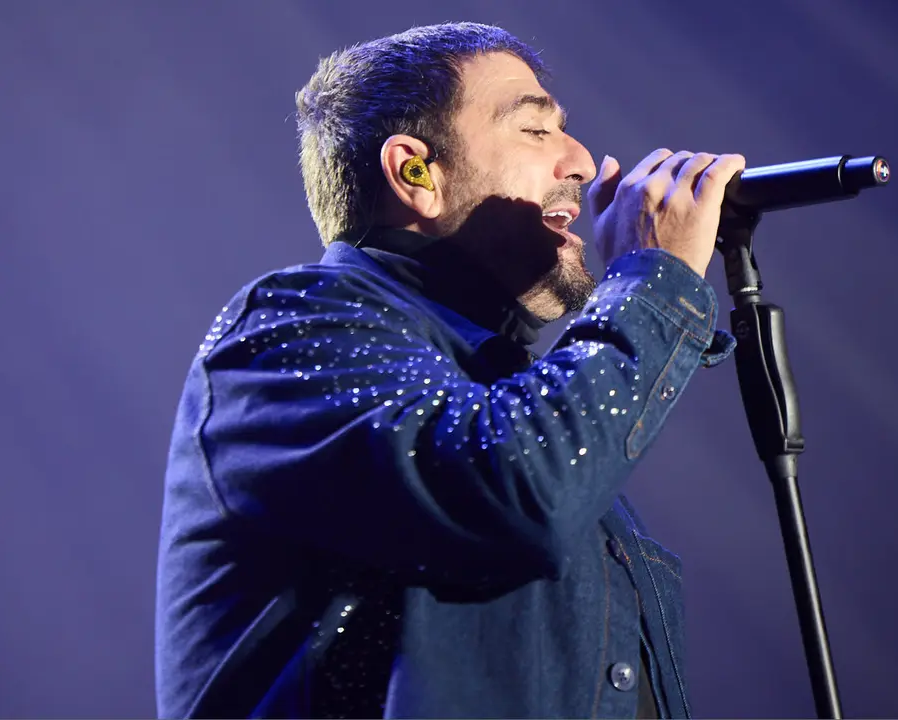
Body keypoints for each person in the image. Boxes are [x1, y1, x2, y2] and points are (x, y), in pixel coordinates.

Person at [155, 22, 745, 719]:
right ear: (415, 172)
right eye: (534, 131)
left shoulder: (519, 396)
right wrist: (655, 280)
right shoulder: (286, 330)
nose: (582, 163)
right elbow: (513, 491)